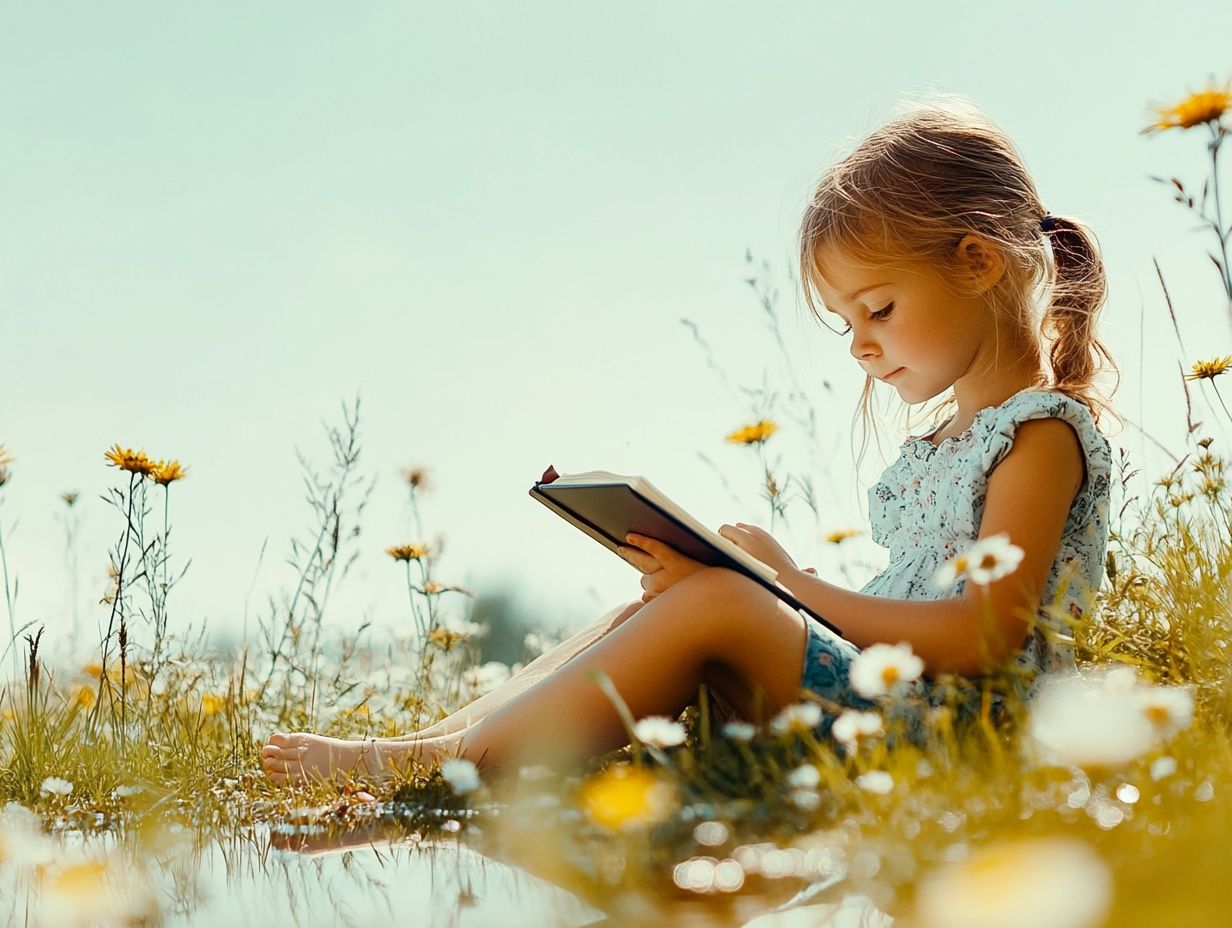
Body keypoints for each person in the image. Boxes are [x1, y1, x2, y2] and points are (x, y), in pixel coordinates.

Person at [262, 98, 1116, 786]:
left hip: (962, 731)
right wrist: (776, 584)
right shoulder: (954, 438)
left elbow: (984, 639)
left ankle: (439, 764)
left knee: (725, 601)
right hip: (887, 696)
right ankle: (437, 742)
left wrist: (787, 588)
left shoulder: (1040, 434)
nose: (860, 344)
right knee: (675, 595)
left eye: (879, 310)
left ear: (977, 263)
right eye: (847, 321)